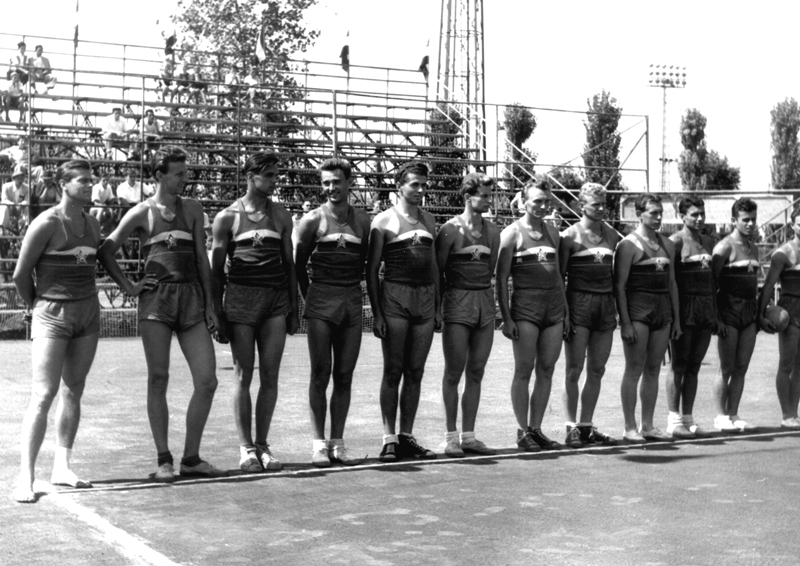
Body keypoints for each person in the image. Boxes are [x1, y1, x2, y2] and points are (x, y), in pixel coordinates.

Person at [98, 146, 224, 482]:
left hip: (191, 299)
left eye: (186, 172)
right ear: (159, 176)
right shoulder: (141, 212)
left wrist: (210, 305)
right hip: (156, 302)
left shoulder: (193, 209)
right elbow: (106, 250)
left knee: (207, 381)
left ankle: (191, 458)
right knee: (158, 378)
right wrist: (129, 286)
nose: (185, 179)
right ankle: (164, 459)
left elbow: (202, 258)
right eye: (179, 173)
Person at [12, 160, 100, 503]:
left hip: (87, 314)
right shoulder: (46, 223)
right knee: (43, 394)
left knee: (74, 390)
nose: (89, 185)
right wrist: (38, 306)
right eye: (82, 180)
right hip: (51, 314)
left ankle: (62, 467)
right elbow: (21, 274)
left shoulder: (93, 224)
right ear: (64, 184)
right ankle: (26, 477)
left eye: (91, 180)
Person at [211, 151, 299, 473]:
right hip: (240, 302)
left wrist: (294, 308)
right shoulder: (227, 217)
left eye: (277, 175)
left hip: (275, 302)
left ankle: (262, 445)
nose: (276, 181)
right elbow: (216, 271)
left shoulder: (281, 215)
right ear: (251, 177)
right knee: (243, 375)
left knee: (270, 375)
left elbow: (289, 265)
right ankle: (245, 447)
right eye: (270, 175)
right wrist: (217, 312)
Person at [295, 158, 371, 467]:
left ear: (349, 183)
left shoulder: (362, 220)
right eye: (325, 182)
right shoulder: (313, 219)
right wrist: (310, 299)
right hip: (321, 301)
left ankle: (337, 443)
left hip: (350, 301)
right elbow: (298, 265)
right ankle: (318, 444)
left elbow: (364, 262)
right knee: (320, 373)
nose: (330, 187)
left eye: (336, 181)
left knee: (344, 375)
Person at [366, 161, 440, 461]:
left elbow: (434, 266)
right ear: (400, 186)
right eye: (415, 184)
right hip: (395, 297)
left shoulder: (430, 219)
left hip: (425, 299)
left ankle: (407, 436)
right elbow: (372, 270)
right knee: (393, 370)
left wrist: (437, 306)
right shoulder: (383, 221)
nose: (421, 190)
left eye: (424, 185)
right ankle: (389, 439)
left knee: (416, 371)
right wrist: (377, 313)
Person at [497, 180, 568, 452]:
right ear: (524, 202)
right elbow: (501, 279)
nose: (543, 206)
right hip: (526, 310)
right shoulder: (511, 234)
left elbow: (558, 275)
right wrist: (507, 317)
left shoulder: (554, 233)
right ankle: (522, 430)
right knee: (524, 370)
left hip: (553, 309)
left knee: (547, 370)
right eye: (537, 201)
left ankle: (536, 429)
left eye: (547, 201)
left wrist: (565, 311)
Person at [435, 172, 500, 457]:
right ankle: (450, 437)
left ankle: (468, 436)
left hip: (484, 303)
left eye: (490, 196)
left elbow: (489, 270)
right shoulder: (449, 230)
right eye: (483, 196)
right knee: (453, 372)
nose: (488, 201)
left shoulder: (493, 231)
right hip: (456, 302)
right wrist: (438, 309)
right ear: (467, 197)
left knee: (476, 371)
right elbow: (438, 273)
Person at [614, 194, 680, 443]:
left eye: (660, 212)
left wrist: (676, 319)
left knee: (653, 370)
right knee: (634, 370)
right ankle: (629, 427)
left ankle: (648, 426)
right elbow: (619, 286)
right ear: (639, 214)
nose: (659, 217)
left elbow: (672, 283)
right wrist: (625, 322)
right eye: (653, 213)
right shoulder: (628, 245)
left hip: (662, 313)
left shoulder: (668, 244)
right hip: (638, 313)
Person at [559, 182, 620, 448]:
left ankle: (586, 426)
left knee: (597, 369)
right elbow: (559, 278)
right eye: (596, 204)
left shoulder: (613, 236)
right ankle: (571, 426)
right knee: (574, 369)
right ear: (581, 205)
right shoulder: (569, 237)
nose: (601, 209)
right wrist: (565, 313)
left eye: (604, 204)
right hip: (578, 305)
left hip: (605, 306)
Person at [667, 196, 717, 438]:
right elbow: (670, 281)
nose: (699, 218)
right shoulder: (675, 242)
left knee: (694, 366)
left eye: (702, 214)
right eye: (694, 214)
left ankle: (688, 419)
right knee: (678, 365)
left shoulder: (709, 242)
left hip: (705, 310)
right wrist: (675, 319)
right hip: (683, 310)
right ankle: (673, 420)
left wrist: (715, 313)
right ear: (682, 217)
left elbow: (713, 282)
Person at [711, 198, 760, 433]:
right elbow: (711, 285)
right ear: (734, 220)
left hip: (749, 314)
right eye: (745, 220)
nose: (750, 224)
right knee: (726, 367)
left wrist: (759, 314)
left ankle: (733, 413)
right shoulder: (724, 248)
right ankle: (721, 416)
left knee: (741, 367)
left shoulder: (755, 248)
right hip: (728, 313)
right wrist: (716, 317)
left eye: (753, 219)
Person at [758, 208, 800, 429]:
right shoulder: (782, 253)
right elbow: (768, 286)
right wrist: (760, 314)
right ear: (793, 226)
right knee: (787, 363)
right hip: (791, 308)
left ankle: (794, 413)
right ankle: (786, 415)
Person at [1, 164, 29, 232]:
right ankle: (1, 229)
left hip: (20, 209)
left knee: (27, 208)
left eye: (22, 178)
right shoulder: (6, 186)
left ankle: (27, 228)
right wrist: (13, 204)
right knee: (3, 207)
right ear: (14, 178)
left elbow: (27, 200)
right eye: (18, 178)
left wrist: (21, 204)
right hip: (10, 209)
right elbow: (4, 200)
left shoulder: (27, 188)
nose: (20, 180)